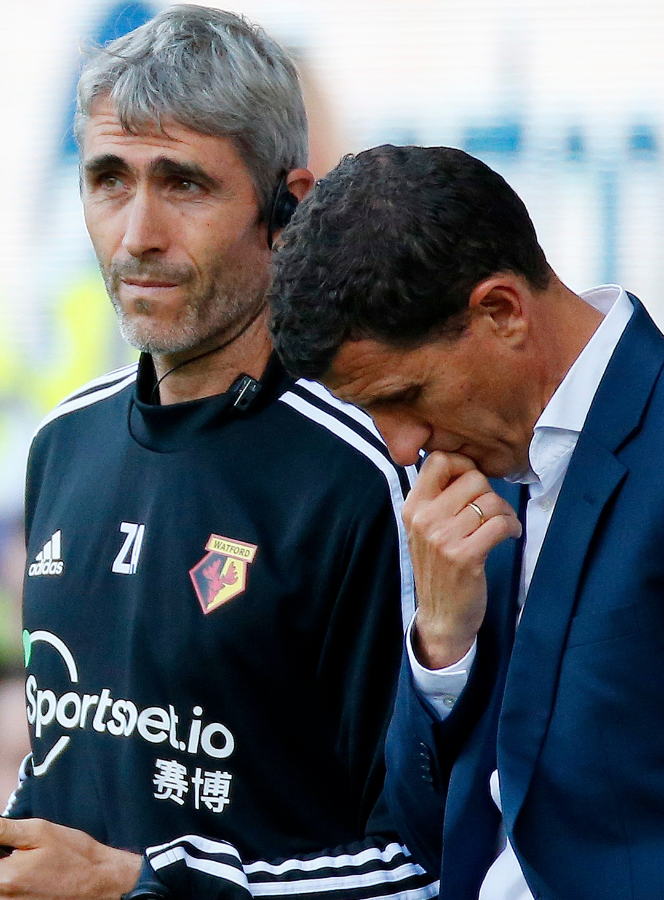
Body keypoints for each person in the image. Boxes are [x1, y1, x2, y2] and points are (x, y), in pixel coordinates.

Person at [0, 7, 433, 900]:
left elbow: (418, 868)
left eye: (184, 184)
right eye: (109, 180)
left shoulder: (370, 476)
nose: (138, 233)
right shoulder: (61, 446)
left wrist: (134, 886)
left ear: (284, 206)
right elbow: (79, 765)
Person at [269, 143, 664, 900]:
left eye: (407, 395)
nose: (402, 446)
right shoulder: (473, 485)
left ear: (502, 312)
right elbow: (426, 842)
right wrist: (441, 651)